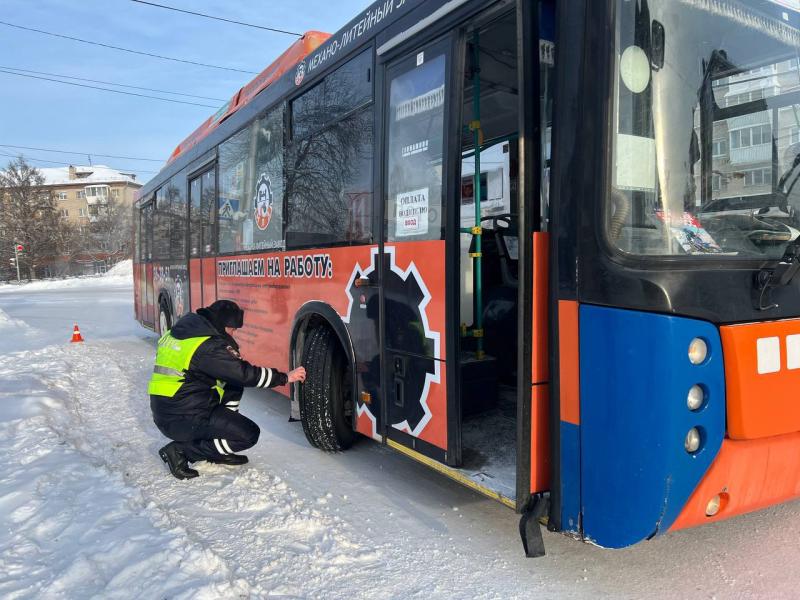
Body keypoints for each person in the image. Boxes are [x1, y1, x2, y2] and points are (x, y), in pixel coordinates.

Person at [148, 299, 306, 480]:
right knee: (248, 434)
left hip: (172, 408)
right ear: (223, 325)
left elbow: (233, 379)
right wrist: (285, 377)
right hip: (182, 416)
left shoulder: (187, 331)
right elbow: (244, 374)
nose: (234, 333)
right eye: (233, 329)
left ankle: (216, 448)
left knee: (232, 382)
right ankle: (181, 452)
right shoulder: (207, 346)